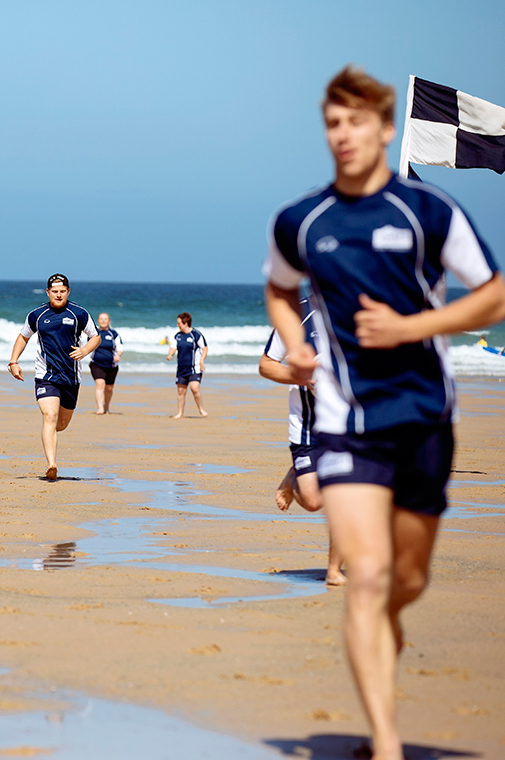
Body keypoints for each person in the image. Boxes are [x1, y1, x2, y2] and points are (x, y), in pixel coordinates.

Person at [264, 66, 505, 760]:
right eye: (333, 124)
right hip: (344, 422)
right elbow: (280, 292)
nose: (344, 136)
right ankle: (387, 742)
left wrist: (410, 329)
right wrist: (303, 354)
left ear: (385, 128)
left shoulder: (430, 213)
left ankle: (387, 628)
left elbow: (491, 295)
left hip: (424, 414)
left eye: (357, 123)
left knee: (406, 580)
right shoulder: (301, 220)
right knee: (365, 577)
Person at [259, 302, 345, 586]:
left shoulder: (364, 306)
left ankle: (334, 570)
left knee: (344, 491)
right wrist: (303, 377)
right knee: (312, 500)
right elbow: (266, 365)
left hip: (350, 421)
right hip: (309, 425)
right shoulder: (296, 317)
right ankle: (295, 473)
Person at [8, 274, 99, 481]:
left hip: (71, 377)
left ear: (68, 292)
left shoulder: (79, 313)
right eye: (54, 291)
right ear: (48, 292)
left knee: (61, 424)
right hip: (46, 376)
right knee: (49, 415)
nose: (58, 295)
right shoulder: (37, 315)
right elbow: (23, 336)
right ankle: (52, 464)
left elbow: (95, 337)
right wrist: (13, 361)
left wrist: (85, 351)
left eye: (62, 291)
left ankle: (50, 434)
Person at [165, 312, 208, 418]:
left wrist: (202, 361)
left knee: (194, 388)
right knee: (181, 391)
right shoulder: (178, 336)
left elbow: (205, 348)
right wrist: (170, 354)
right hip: (181, 368)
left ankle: (201, 409)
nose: (177, 325)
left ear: (185, 323)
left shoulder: (196, 334)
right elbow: (173, 347)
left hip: (194, 368)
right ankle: (180, 413)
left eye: (179, 323)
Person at [89, 312, 123, 414]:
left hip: (111, 365)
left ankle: (107, 407)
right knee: (100, 384)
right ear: (98, 321)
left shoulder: (113, 334)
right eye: (101, 319)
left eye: (105, 319)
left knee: (109, 388)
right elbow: (86, 346)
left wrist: (118, 355)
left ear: (109, 321)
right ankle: (100, 408)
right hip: (96, 364)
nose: (103, 321)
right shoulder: (93, 333)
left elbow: (119, 346)